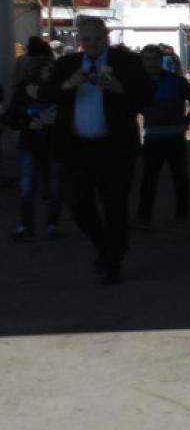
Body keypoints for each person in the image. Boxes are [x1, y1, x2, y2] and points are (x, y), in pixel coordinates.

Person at [45, 16, 150, 285]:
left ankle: (113, 262)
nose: (91, 44)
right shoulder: (66, 64)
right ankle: (104, 245)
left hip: (114, 149)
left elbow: (147, 97)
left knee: (115, 208)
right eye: (87, 39)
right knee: (77, 202)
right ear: (79, 40)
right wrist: (68, 85)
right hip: (77, 149)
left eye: (97, 38)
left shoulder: (126, 62)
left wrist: (119, 88)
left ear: (107, 37)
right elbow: (45, 94)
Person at [136, 44, 190, 226]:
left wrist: (187, 120)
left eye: (154, 59)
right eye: (147, 59)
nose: (151, 63)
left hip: (174, 137)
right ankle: (143, 217)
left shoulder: (176, 81)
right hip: (152, 138)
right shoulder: (139, 84)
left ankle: (182, 214)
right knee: (149, 179)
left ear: (161, 60)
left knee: (179, 177)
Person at [6, 55, 62, 242]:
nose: (50, 73)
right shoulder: (23, 91)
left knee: (55, 188)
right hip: (30, 144)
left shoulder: (57, 91)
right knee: (27, 188)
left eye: (51, 70)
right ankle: (26, 225)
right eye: (46, 70)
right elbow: (10, 117)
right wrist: (27, 123)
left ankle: (53, 224)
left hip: (53, 144)